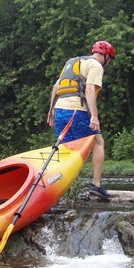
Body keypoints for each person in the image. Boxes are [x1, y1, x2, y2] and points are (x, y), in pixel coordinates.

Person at [46, 40, 115, 201]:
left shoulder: (72, 62)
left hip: (60, 110)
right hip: (77, 110)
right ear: (106, 56)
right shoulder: (96, 65)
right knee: (98, 142)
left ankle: (63, 187)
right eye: (109, 60)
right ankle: (96, 186)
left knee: (67, 151)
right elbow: (90, 89)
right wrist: (94, 116)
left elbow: (56, 87)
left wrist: (51, 111)